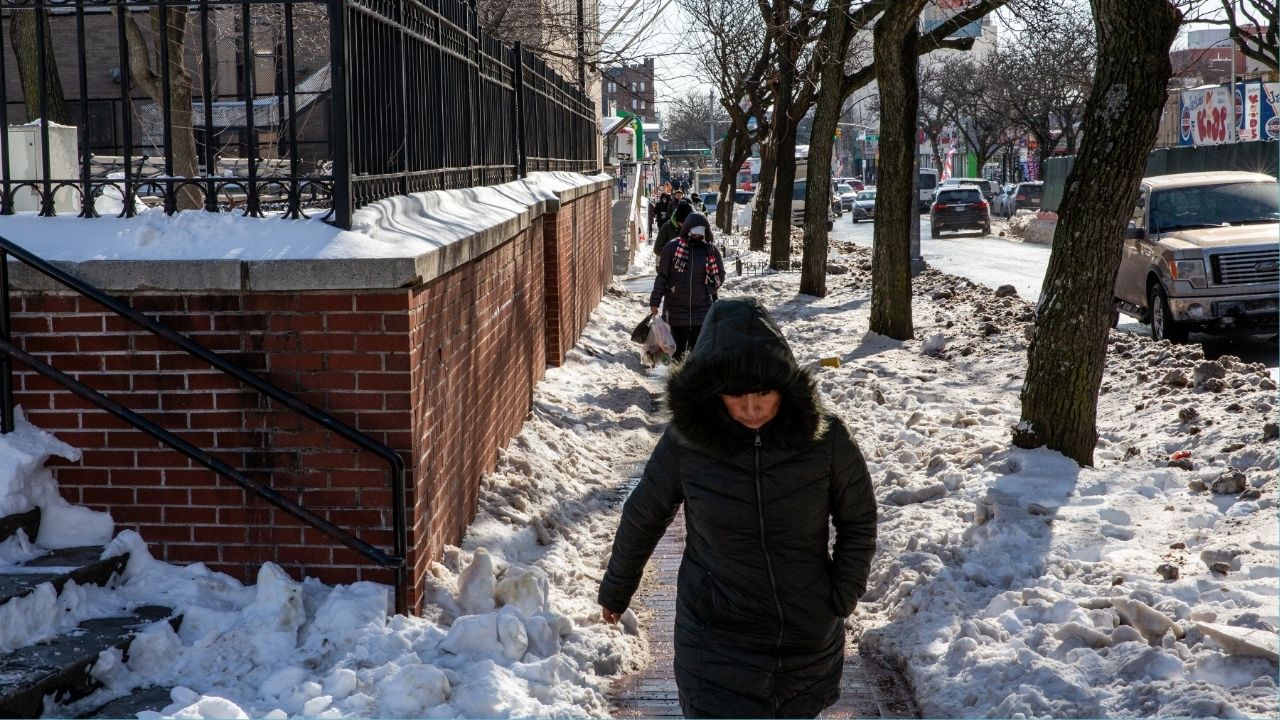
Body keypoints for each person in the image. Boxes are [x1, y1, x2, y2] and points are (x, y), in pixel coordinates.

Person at [598, 297, 878, 718]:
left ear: (782, 386)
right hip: (715, 641)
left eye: (764, 393)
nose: (752, 409)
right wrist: (618, 588)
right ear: (715, 391)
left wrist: (841, 595)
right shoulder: (686, 443)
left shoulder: (826, 439)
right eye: (737, 395)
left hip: (804, 638)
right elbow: (644, 514)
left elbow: (858, 518)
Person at [647, 222, 724, 360]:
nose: (697, 239)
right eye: (694, 235)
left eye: (700, 236)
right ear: (688, 232)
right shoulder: (672, 248)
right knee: (677, 350)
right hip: (676, 311)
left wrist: (707, 290)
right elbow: (663, 277)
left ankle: (692, 378)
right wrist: (655, 301)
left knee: (697, 351)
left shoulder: (710, 250)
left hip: (700, 311)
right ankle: (677, 377)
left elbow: (719, 276)